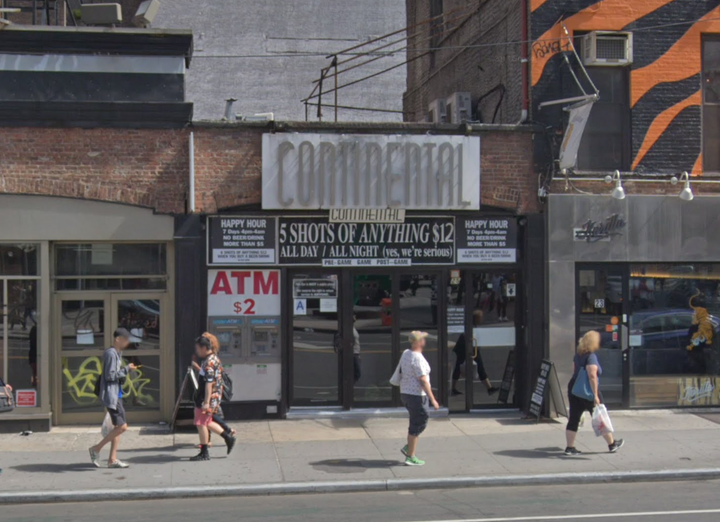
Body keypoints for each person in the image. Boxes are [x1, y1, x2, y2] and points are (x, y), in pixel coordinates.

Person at [565, 330, 624, 455]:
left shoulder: (578, 355)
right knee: (600, 417)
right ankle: (612, 444)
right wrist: (595, 395)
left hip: (575, 389)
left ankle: (570, 447)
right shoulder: (591, 356)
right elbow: (592, 375)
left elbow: (574, 370)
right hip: (588, 392)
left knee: (574, 418)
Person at [89, 328, 136, 469]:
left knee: (118, 427)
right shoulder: (111, 353)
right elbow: (110, 376)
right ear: (117, 339)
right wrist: (126, 369)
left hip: (117, 395)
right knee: (122, 427)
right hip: (113, 396)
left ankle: (112, 460)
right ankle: (96, 448)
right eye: (125, 339)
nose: (127, 342)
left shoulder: (117, 353)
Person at [191, 333, 236, 461]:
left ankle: (204, 452)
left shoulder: (209, 362)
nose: (197, 351)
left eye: (198, 349)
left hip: (206, 398)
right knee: (207, 421)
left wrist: (206, 402)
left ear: (204, 348)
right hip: (212, 397)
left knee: (201, 423)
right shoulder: (214, 359)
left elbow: (209, 382)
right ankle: (228, 437)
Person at [399, 331, 439, 466]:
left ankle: (409, 447)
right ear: (418, 342)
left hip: (405, 393)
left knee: (417, 421)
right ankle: (410, 456)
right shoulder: (417, 358)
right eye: (422, 339)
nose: (424, 341)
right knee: (419, 422)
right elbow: (423, 380)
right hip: (416, 395)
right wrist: (433, 399)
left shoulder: (406, 353)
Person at [451, 310, 498, 396]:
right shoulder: (471, 327)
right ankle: (489, 388)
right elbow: (469, 339)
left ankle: (489, 388)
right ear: (476, 319)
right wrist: (471, 354)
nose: (481, 319)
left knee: (478, 367)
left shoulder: (473, 326)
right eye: (480, 318)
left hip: (470, 348)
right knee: (461, 367)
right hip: (466, 349)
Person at [352, 315, 362, 382]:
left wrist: (358, 354)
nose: (355, 316)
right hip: (353, 353)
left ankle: (350, 386)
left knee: (355, 372)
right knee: (357, 373)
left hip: (356, 353)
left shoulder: (352, 327)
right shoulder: (349, 328)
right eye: (353, 315)